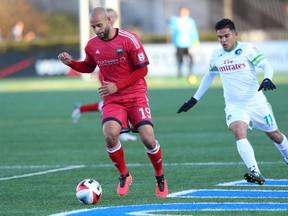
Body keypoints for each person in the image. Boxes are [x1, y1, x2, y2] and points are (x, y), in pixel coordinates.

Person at [58, 7, 168, 197]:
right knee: (109, 134)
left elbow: (143, 70)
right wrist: (72, 64)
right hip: (113, 99)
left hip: (136, 95)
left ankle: (160, 177)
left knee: (148, 138)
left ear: (109, 20)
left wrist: (117, 85)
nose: (97, 30)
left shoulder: (129, 39)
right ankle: (124, 174)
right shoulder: (92, 45)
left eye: (99, 25)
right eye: (93, 27)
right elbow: (88, 66)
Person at [177, 18, 288, 185]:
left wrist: (267, 79)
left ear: (235, 34)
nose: (223, 40)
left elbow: (266, 65)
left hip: (256, 102)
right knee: (238, 130)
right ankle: (256, 172)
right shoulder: (216, 55)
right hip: (235, 106)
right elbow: (209, 76)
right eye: (219, 37)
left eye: (226, 36)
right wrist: (195, 99)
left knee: (275, 136)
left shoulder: (247, 49)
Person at [71, 8, 137, 142]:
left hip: (120, 78)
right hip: (106, 75)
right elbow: (90, 63)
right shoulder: (96, 40)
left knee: (114, 100)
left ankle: (80, 109)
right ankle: (121, 131)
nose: (111, 19)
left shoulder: (122, 35)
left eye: (113, 17)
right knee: (113, 100)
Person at [169, 7, 199, 83]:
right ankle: (180, 75)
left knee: (190, 60)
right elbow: (170, 22)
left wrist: (195, 42)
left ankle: (191, 74)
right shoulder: (176, 20)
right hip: (179, 44)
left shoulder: (190, 21)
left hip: (189, 44)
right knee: (180, 60)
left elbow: (194, 31)